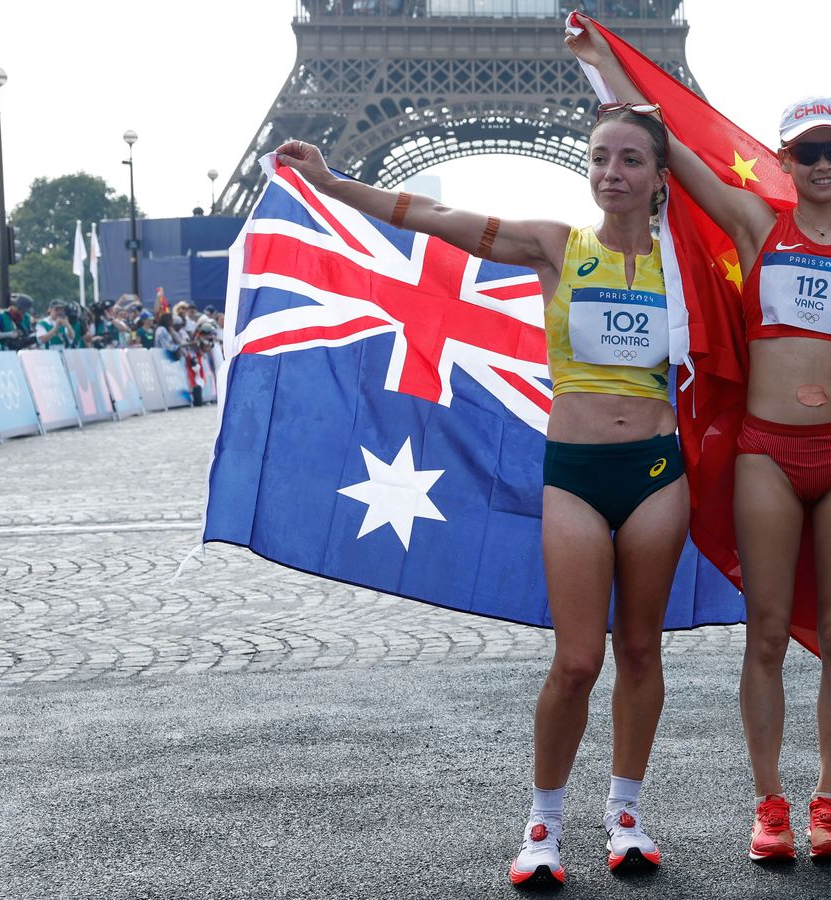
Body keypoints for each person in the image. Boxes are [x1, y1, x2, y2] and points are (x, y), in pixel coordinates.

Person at [277, 105, 689, 886]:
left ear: (660, 177)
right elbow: (436, 216)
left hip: (654, 472)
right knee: (575, 661)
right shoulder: (557, 246)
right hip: (574, 470)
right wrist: (332, 184)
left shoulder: (685, 265)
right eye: (601, 158)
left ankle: (626, 814)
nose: (611, 173)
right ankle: (544, 824)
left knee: (640, 650)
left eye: (631, 160)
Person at [569, 21, 831, 862]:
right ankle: (770, 803)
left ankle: (830, 802)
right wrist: (605, 65)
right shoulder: (752, 221)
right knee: (766, 632)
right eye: (806, 151)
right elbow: (670, 147)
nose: (821, 164)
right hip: (767, 451)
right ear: (785, 157)